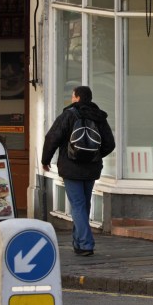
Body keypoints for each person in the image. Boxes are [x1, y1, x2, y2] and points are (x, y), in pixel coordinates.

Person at [42, 85, 115, 256]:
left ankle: (85, 244)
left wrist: (46, 161)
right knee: (83, 204)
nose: (72, 98)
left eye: (73, 96)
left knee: (78, 205)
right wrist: (95, 155)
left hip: (71, 167)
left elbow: (52, 138)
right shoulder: (98, 117)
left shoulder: (68, 115)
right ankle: (78, 242)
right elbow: (110, 144)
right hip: (91, 168)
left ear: (76, 97)